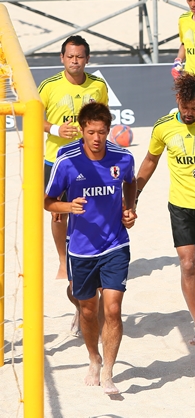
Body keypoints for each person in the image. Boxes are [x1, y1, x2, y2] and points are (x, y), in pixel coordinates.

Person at [44, 102, 136, 395]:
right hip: (81, 249)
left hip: (115, 243)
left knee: (112, 309)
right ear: (82, 131)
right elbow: (47, 202)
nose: (97, 138)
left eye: (102, 132)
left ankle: (108, 371)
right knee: (87, 310)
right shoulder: (67, 161)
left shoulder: (122, 158)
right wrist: (68, 206)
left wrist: (129, 208)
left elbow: (130, 182)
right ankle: (93, 358)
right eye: (91, 132)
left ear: (109, 131)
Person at [136, 73, 195, 345]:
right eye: (185, 108)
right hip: (180, 206)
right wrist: (134, 192)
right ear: (178, 101)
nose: (188, 113)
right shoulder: (163, 127)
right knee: (187, 265)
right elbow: (150, 160)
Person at [39, 35, 109, 333]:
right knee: (57, 213)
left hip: (87, 161)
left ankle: (84, 265)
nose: (75, 61)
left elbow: (104, 119)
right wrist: (56, 127)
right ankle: (61, 259)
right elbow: (35, 118)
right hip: (56, 160)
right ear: (62, 58)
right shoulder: (49, 86)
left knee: (87, 211)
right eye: (70, 56)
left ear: (87, 59)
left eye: (80, 56)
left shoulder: (98, 86)